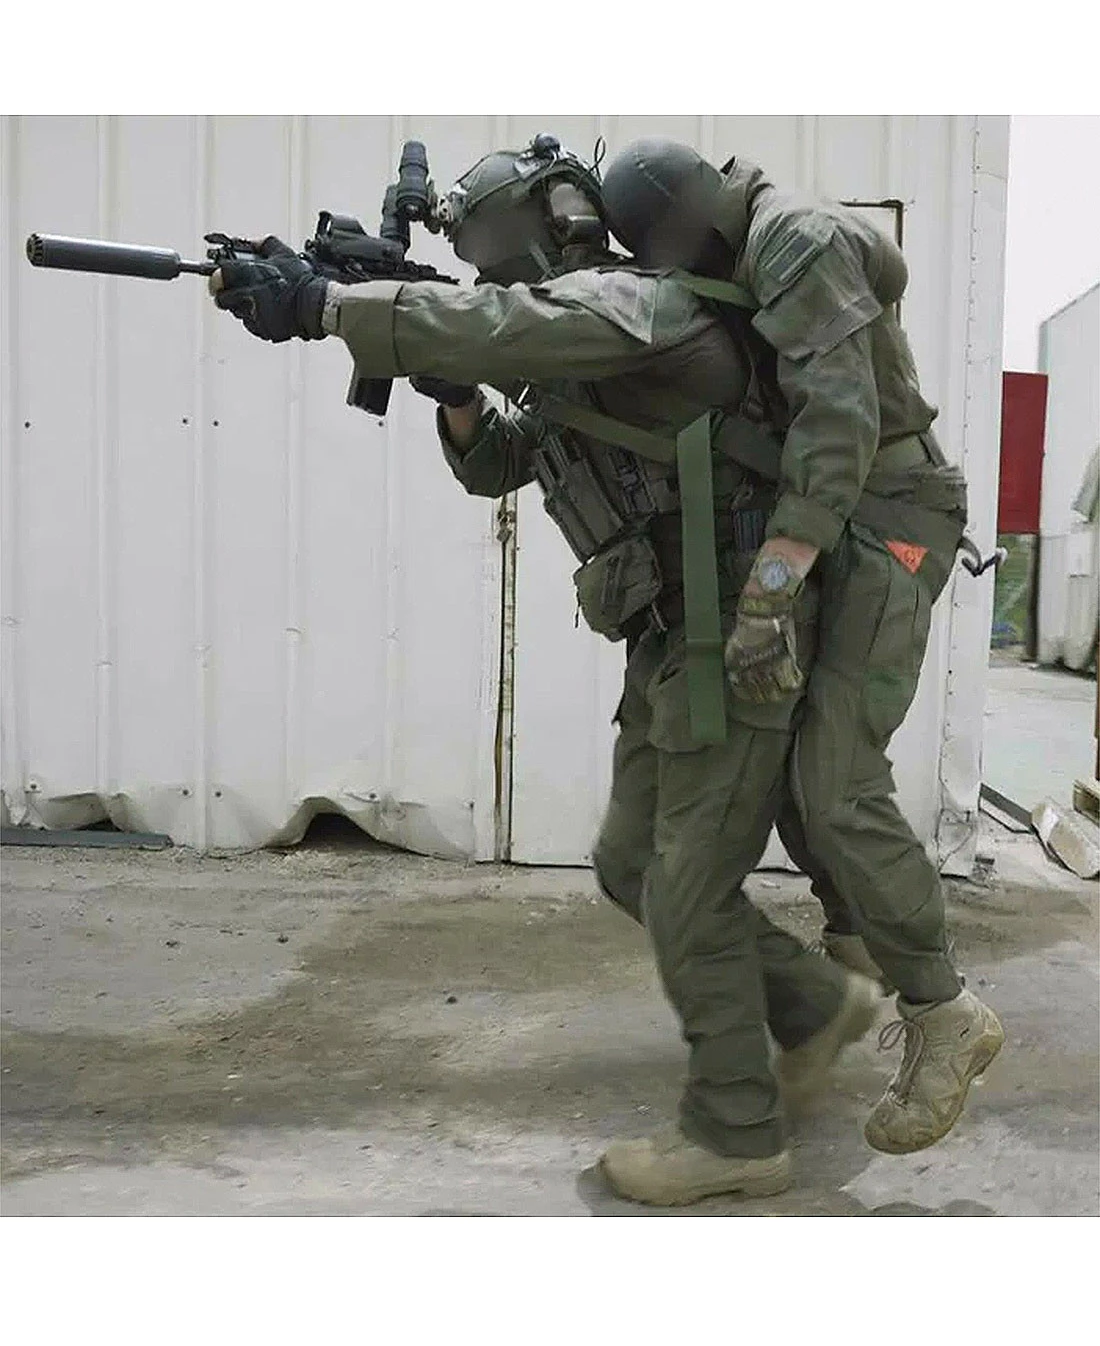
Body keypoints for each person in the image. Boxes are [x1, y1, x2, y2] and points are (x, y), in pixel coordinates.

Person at [208, 134, 882, 1206]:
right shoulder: (574, 339)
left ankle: (736, 1130)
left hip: (732, 631)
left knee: (686, 888)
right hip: (670, 639)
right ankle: (812, 1007)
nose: (478, 275)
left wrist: (332, 307)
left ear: (539, 230)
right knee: (629, 863)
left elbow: (504, 325)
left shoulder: (640, 306)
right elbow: (501, 460)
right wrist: (454, 394)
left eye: (485, 255)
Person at [598, 137, 1005, 1155]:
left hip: (888, 517)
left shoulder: (793, 240)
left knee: (834, 784)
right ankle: (849, 960)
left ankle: (944, 1011)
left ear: (689, 224)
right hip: (845, 517)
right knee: (792, 772)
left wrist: (768, 593)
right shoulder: (750, 244)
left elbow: (838, 423)